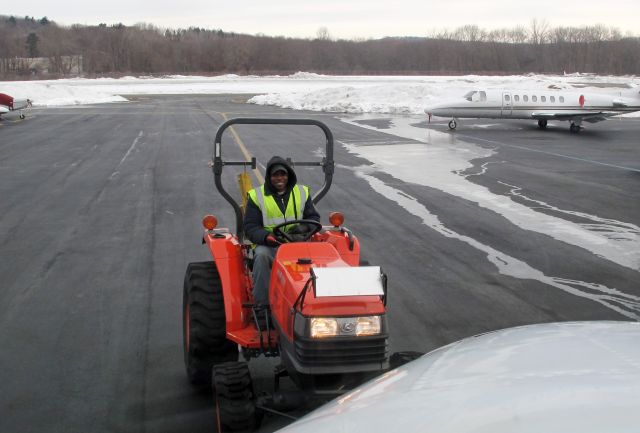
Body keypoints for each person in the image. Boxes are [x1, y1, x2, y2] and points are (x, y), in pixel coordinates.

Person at [244, 156, 320, 306]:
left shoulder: (302, 192)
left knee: (323, 256)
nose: (280, 178)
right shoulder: (256, 196)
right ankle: (262, 306)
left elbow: (314, 218)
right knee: (261, 256)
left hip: (299, 243)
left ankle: (316, 302)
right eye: (275, 175)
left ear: (288, 175)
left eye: (283, 174)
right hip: (271, 245)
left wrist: (303, 228)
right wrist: (267, 237)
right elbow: (250, 228)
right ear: (269, 177)